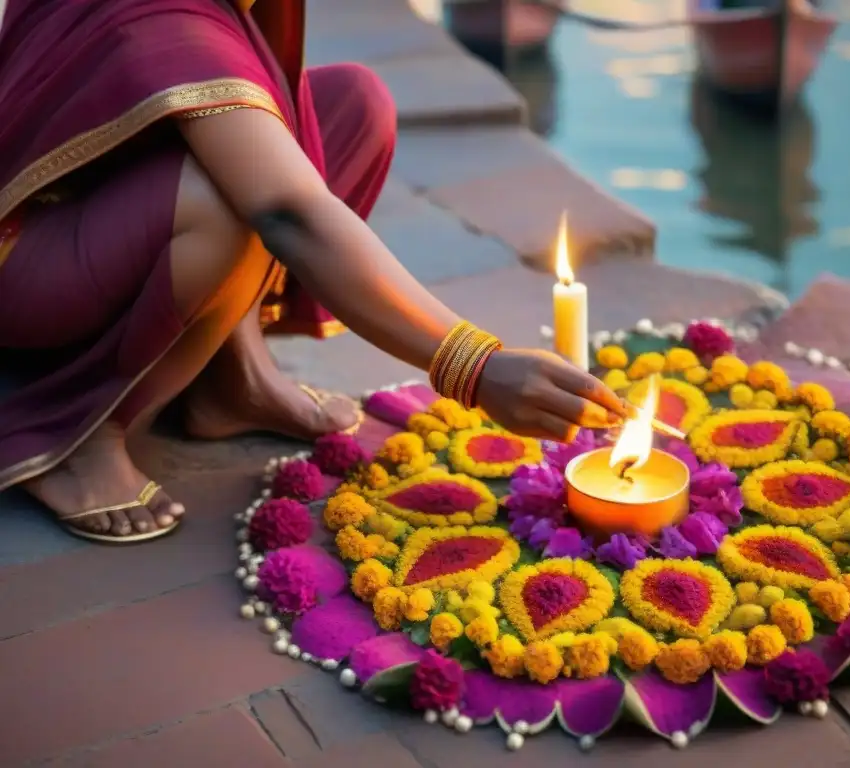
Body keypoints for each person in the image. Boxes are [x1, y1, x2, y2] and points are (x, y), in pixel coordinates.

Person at [0, 0, 625, 544]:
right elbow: (287, 212)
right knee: (238, 197)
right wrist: (477, 368)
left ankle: (233, 379)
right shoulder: (160, 12)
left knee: (350, 105)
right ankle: (79, 440)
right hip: (24, 257)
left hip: (98, 206)